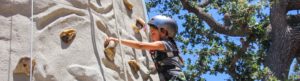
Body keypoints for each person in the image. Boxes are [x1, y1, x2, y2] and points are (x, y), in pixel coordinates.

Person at [106, 15, 186, 81]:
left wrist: (117, 40)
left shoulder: (165, 44)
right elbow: (148, 36)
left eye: (153, 32)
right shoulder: (161, 46)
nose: (151, 35)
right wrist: (143, 26)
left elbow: (140, 45)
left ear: (164, 32)